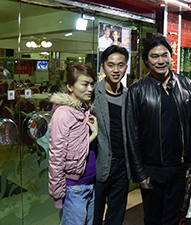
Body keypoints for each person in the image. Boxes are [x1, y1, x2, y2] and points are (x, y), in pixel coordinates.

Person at [126, 33, 191, 225]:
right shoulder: (136, 91)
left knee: (174, 217)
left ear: (171, 56)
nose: (160, 61)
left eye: (164, 55)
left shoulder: (187, 85)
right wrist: (140, 173)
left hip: (179, 167)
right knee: (152, 218)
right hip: (152, 169)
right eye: (154, 56)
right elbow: (132, 136)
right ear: (146, 61)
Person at [48, 62, 98, 225]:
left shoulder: (83, 110)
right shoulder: (63, 114)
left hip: (88, 181)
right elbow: (56, 156)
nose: (90, 89)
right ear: (70, 86)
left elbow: (78, 146)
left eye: (92, 84)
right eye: (85, 84)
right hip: (74, 186)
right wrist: (57, 194)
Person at [92, 45, 131, 225]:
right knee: (94, 215)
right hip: (99, 164)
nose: (116, 70)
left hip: (122, 166)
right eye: (111, 65)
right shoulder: (92, 94)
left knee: (116, 215)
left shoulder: (129, 95)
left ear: (126, 67)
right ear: (103, 67)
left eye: (120, 65)